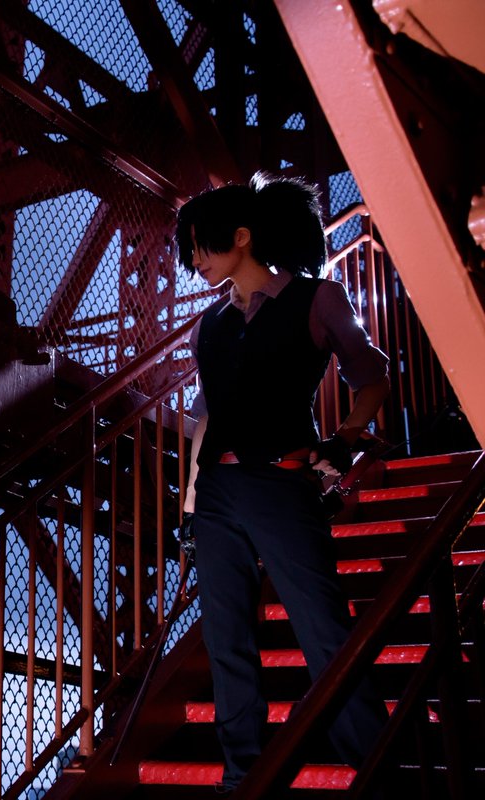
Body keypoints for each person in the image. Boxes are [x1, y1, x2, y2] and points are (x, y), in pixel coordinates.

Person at [177, 173, 390, 793]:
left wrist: (346, 438)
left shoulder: (316, 298)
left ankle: (374, 765)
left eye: (202, 246)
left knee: (324, 630)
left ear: (242, 236)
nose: (195, 261)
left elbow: (371, 375)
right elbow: (207, 416)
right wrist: (189, 504)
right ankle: (242, 777)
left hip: (282, 481)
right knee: (226, 640)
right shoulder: (208, 325)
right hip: (217, 494)